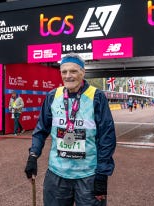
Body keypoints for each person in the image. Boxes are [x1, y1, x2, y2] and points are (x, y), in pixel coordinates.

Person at [24, 53, 116, 206]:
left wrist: (102, 174)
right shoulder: (53, 96)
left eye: (73, 71)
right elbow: (41, 130)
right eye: (64, 72)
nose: (68, 76)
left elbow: (107, 138)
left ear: (83, 72)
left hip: (88, 175)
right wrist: (33, 156)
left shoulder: (97, 97)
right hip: (56, 175)